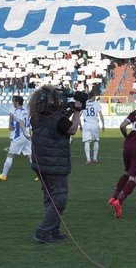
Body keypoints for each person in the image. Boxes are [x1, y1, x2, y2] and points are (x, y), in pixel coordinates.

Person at [29, 85, 83, 244]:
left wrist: (71, 110)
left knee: (50, 197)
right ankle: (44, 231)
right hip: (54, 163)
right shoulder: (58, 119)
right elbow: (71, 129)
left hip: (41, 163)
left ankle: (53, 230)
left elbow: (58, 121)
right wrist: (77, 111)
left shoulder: (37, 116)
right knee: (59, 197)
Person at [0, 96, 31, 181]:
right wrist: (28, 134)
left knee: (10, 155)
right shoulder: (25, 111)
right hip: (27, 137)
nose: (13, 103)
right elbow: (28, 123)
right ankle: (40, 175)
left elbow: (21, 122)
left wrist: (24, 132)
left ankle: (3, 175)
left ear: (17, 102)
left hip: (19, 137)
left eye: (13, 101)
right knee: (30, 155)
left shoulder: (17, 112)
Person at [81, 95, 105, 165]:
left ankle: (88, 160)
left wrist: (79, 125)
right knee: (96, 141)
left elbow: (79, 114)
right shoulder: (96, 104)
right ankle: (95, 159)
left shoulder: (84, 104)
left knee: (87, 142)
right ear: (93, 97)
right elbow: (101, 115)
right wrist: (103, 124)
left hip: (87, 124)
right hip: (95, 125)